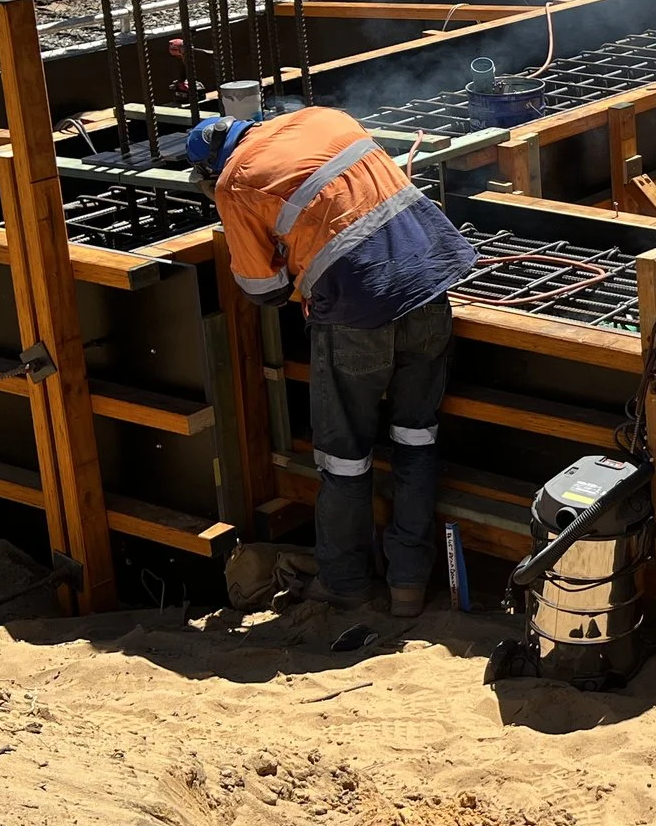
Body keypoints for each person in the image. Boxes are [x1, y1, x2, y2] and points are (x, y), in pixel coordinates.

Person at [187, 105, 477, 617]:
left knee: (344, 459)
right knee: (416, 437)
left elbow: (264, 289)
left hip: (356, 316)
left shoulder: (233, 183)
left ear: (210, 171)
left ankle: (347, 583)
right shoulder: (328, 117)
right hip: (431, 287)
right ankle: (409, 585)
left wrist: (252, 229)